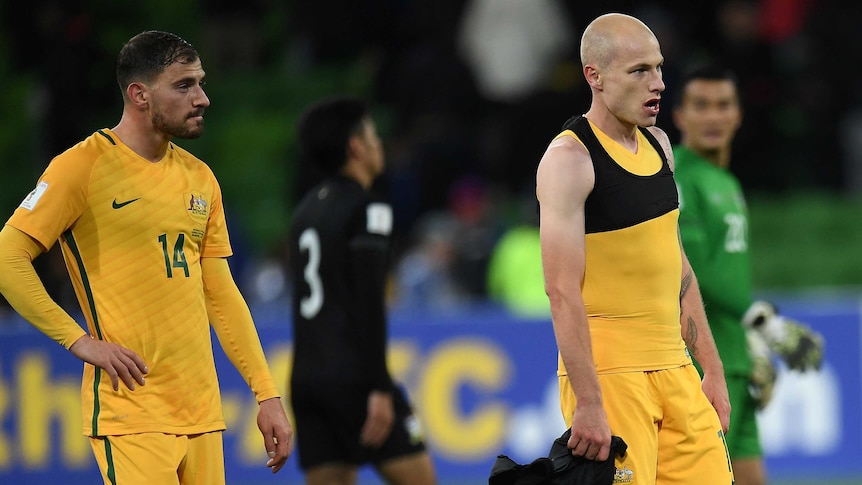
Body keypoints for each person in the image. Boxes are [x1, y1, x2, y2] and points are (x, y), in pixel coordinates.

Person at [0, 31, 293, 484]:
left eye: (200, 83)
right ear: (139, 94)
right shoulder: (82, 167)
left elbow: (221, 293)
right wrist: (78, 340)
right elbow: (7, 257)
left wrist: (266, 394)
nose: (203, 98)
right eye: (184, 85)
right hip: (131, 412)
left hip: (201, 413)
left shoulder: (200, 179)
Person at [535, 13, 734, 484]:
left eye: (659, 68)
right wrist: (588, 402)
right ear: (595, 77)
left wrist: (712, 368)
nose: (659, 83)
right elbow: (561, 291)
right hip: (613, 375)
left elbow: (677, 267)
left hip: (675, 368)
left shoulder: (660, 146)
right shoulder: (570, 160)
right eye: (639, 71)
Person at [672, 62, 824, 485]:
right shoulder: (680, 178)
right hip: (705, 365)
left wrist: (751, 343)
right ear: (680, 116)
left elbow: (727, 276)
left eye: (723, 105)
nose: (713, 116)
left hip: (736, 359)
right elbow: (693, 269)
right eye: (700, 105)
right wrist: (765, 322)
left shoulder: (724, 180)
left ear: (738, 115)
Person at [287, 96, 436, 485]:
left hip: (306, 380)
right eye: (372, 135)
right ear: (355, 146)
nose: (378, 143)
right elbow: (369, 304)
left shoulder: (304, 212)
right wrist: (380, 387)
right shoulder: (370, 209)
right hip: (354, 377)